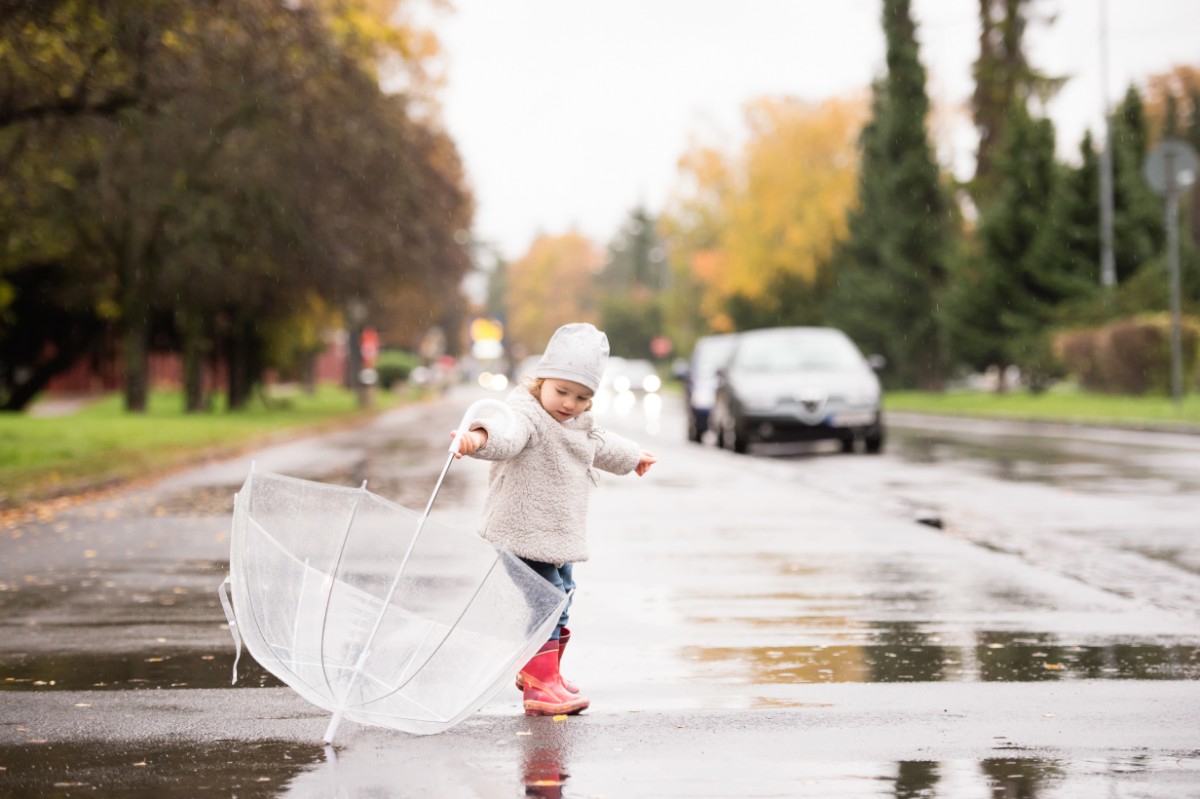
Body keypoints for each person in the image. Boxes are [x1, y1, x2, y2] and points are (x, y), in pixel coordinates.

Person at [451, 322, 657, 716]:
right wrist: (475, 439)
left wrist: (633, 458)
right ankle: (538, 686)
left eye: (581, 397)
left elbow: (602, 445)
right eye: (562, 391)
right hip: (521, 533)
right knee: (549, 604)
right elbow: (503, 435)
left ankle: (545, 674)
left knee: (561, 598)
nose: (569, 403)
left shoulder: (579, 424)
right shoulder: (526, 415)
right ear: (541, 381)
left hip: (556, 538)